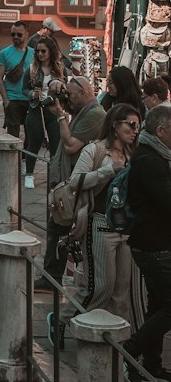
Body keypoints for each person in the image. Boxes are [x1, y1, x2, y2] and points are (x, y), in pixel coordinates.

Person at [48, 103, 139, 349]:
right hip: (99, 223)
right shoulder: (95, 150)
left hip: (126, 229)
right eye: (130, 125)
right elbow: (75, 182)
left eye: (137, 126)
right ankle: (63, 319)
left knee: (121, 291)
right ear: (115, 125)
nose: (135, 130)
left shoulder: (134, 154)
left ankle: (116, 345)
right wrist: (108, 171)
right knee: (100, 287)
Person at [122, 102, 171, 382]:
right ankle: (130, 350)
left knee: (158, 303)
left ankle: (153, 365)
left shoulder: (156, 155)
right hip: (154, 245)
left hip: (155, 241)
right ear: (162, 131)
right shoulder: (149, 160)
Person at [42, 74, 106, 281]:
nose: (67, 98)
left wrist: (60, 116)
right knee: (59, 226)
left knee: (59, 226)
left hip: (79, 183)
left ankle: (52, 277)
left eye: (70, 94)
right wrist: (55, 87)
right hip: (73, 180)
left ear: (83, 93)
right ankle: (53, 275)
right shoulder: (83, 109)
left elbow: (71, 146)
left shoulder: (95, 114)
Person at [24, 33, 66, 188]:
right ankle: (29, 174)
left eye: (43, 51)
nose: (40, 54)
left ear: (50, 52)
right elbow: (24, 89)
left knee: (55, 144)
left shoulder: (59, 69)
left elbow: (66, 89)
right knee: (34, 142)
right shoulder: (32, 69)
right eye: (38, 51)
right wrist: (31, 94)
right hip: (36, 109)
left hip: (53, 110)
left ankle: (53, 176)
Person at [0, 22, 33, 143]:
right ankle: (13, 161)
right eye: (13, 34)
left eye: (19, 34)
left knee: (31, 134)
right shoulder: (4, 54)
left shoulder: (34, 53)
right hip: (12, 100)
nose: (15, 37)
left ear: (27, 34)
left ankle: (25, 159)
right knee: (12, 136)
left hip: (29, 99)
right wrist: (6, 101)